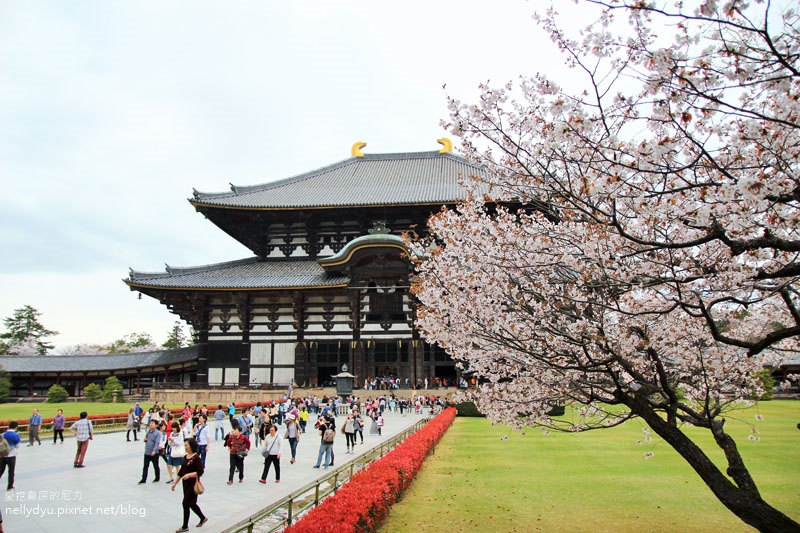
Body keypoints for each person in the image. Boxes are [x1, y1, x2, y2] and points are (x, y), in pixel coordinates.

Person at [171, 437, 208, 533]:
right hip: (185, 484)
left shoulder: (196, 458)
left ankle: (185, 526)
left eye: (186, 445)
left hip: (193, 484)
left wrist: (189, 475)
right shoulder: (185, 457)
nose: (185, 447)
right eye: (185, 445)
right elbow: (181, 472)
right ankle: (202, 518)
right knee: (191, 503)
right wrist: (175, 483)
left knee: (185, 503)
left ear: (191, 446)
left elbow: (200, 472)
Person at [138, 419, 161, 484]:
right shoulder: (148, 432)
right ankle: (143, 479)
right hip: (147, 452)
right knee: (145, 466)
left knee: (155, 466)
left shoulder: (157, 433)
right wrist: (145, 440)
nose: (151, 424)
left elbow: (157, 443)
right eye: (150, 423)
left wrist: (154, 451)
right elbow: (147, 439)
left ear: (156, 425)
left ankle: (157, 477)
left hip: (154, 453)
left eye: (153, 423)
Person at [0, 422, 21, 490]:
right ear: (16, 427)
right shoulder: (16, 435)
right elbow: (18, 446)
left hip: (3, 455)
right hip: (11, 455)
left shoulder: (3, 434)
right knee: (11, 471)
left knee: (1, 470)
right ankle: (10, 486)